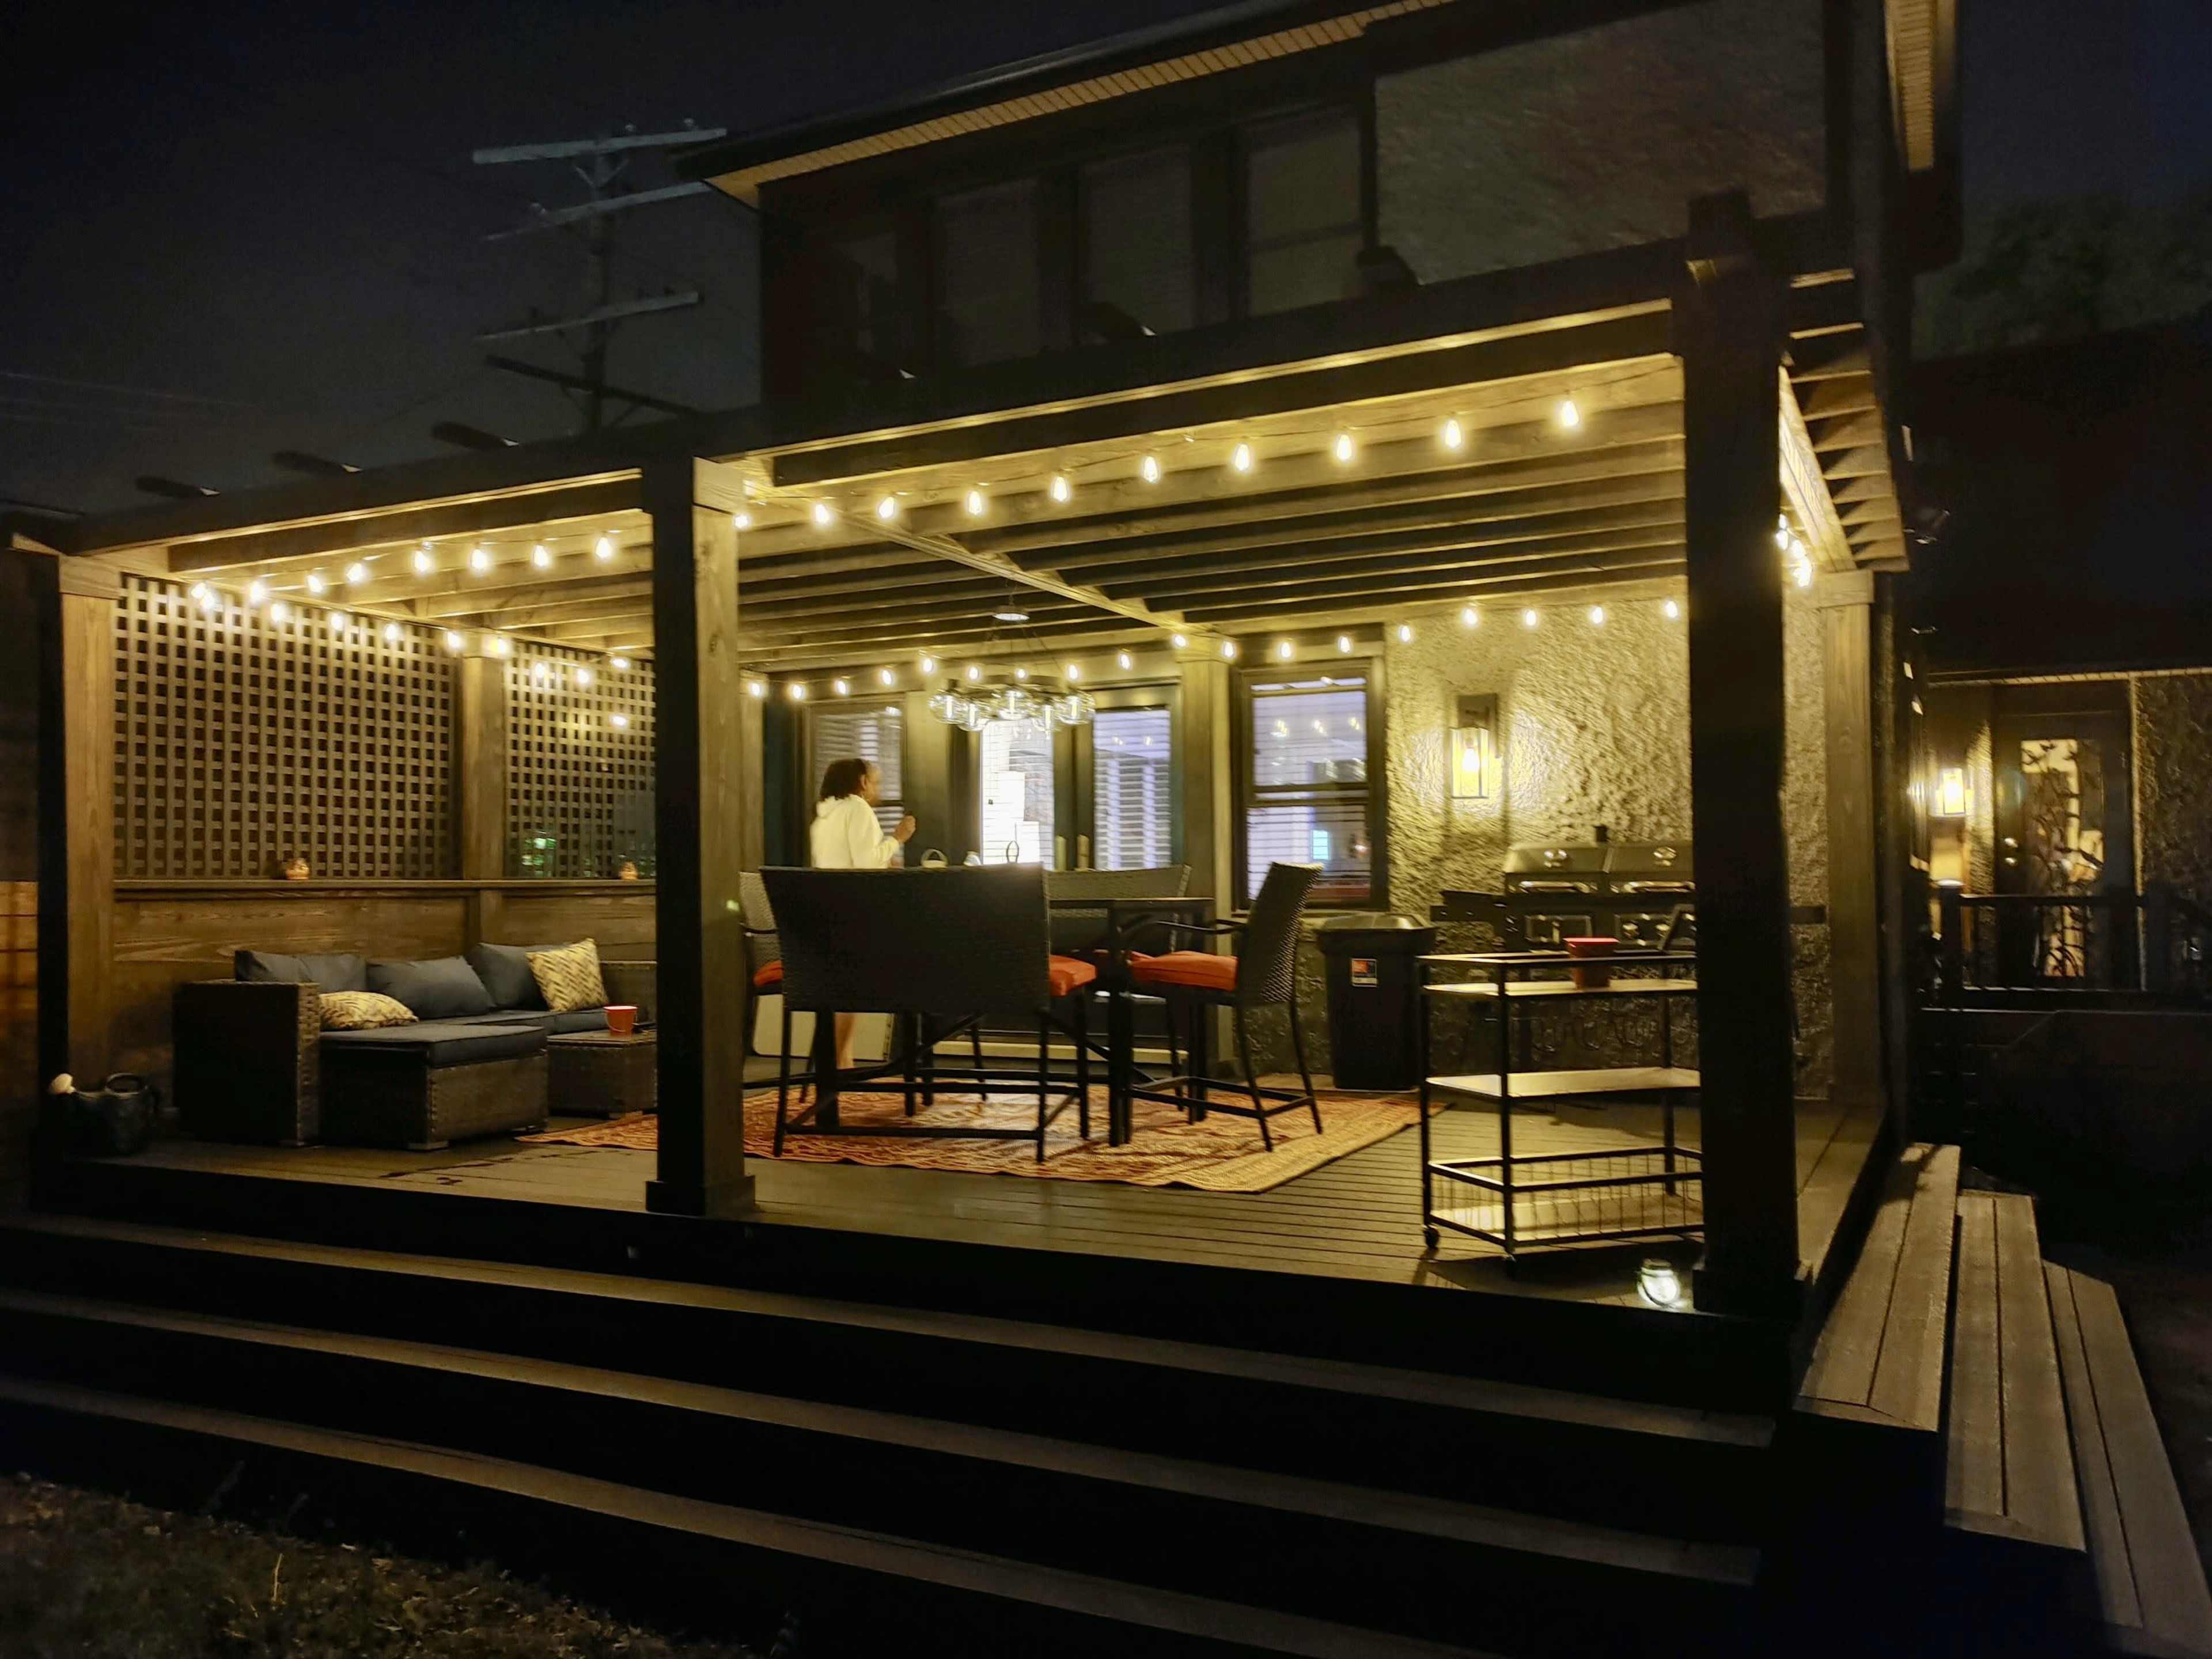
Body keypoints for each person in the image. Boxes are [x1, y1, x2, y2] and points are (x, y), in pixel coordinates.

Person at [809, 758, 917, 1070]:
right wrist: (897, 839)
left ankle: (841, 1060)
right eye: (876, 781)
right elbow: (866, 865)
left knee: (842, 989)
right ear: (861, 781)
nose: (878, 788)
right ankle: (841, 1064)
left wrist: (884, 859)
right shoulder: (857, 808)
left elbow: (844, 862)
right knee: (859, 986)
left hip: (827, 918)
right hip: (854, 917)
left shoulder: (824, 817)